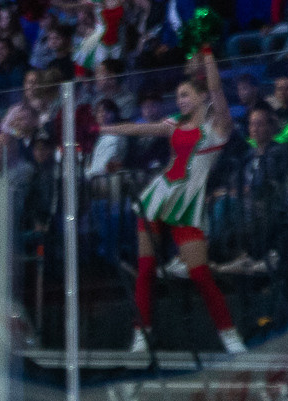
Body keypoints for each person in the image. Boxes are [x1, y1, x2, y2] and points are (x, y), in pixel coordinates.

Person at [100, 46, 244, 356]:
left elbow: (217, 88)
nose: (181, 100)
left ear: (202, 97)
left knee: (201, 274)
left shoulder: (218, 127)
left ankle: (229, 335)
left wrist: (208, 56)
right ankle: (142, 334)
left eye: (186, 95)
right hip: (158, 196)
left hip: (188, 203)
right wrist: (102, 128)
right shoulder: (174, 124)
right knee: (146, 269)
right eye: (178, 96)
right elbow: (137, 128)